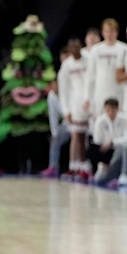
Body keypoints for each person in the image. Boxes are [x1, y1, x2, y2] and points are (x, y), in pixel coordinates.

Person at [57, 39, 90, 179]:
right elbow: (63, 90)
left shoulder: (88, 59)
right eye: (72, 47)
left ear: (81, 47)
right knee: (77, 136)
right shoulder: (66, 65)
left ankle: (88, 167)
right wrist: (66, 110)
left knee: (91, 138)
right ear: (69, 49)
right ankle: (77, 167)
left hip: (90, 104)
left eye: (77, 46)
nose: (75, 49)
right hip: (75, 105)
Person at [84, 18, 127, 122]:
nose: (109, 34)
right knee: (100, 123)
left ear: (116, 32)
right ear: (103, 32)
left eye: (112, 31)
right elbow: (90, 75)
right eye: (107, 31)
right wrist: (87, 98)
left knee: (119, 122)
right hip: (100, 93)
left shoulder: (124, 49)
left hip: (119, 93)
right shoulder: (96, 50)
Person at [89, 98, 127, 186]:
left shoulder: (125, 118)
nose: (110, 113)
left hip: (124, 153)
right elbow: (97, 141)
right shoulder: (100, 120)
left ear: (117, 109)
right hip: (108, 154)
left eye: (112, 110)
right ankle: (109, 171)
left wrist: (112, 142)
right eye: (108, 110)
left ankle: (125, 174)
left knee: (125, 147)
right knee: (102, 178)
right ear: (105, 109)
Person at [42, 78, 69, 178]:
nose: (55, 87)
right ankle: (53, 167)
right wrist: (55, 133)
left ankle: (76, 169)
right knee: (55, 139)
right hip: (66, 124)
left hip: (76, 122)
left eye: (56, 84)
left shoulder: (68, 92)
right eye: (53, 84)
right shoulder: (51, 96)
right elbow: (53, 116)